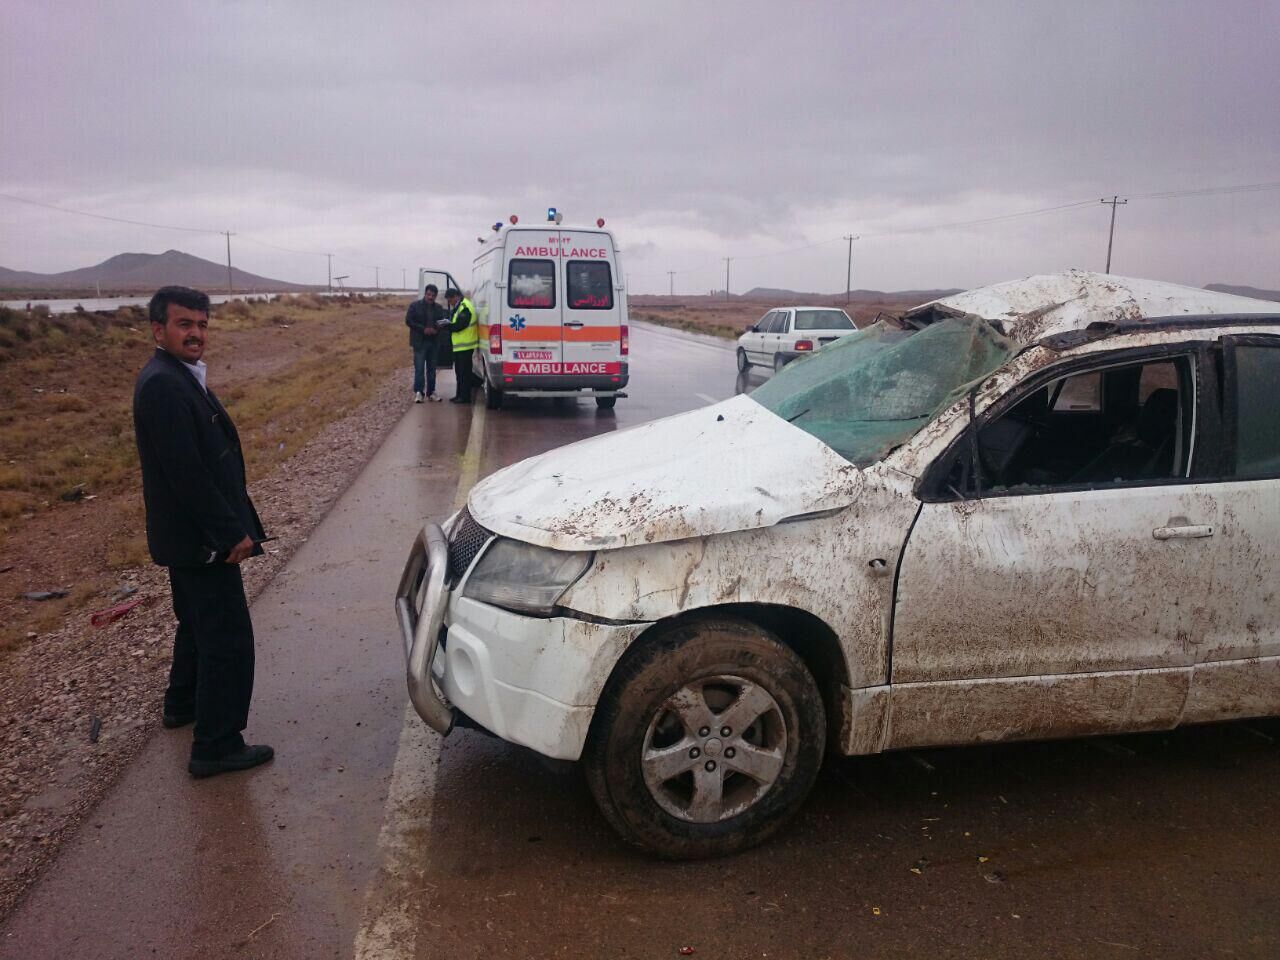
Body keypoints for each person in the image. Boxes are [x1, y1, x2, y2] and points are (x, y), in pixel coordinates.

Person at [132, 285, 274, 778]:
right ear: (158, 330)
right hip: (201, 540)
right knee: (227, 639)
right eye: (184, 325)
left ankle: (182, 705)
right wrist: (228, 533)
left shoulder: (175, 375)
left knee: (196, 623)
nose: (196, 334)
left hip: (188, 537)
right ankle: (216, 744)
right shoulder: (163, 385)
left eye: (202, 325)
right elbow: (185, 473)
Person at [404, 283, 446, 402]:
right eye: (428, 294)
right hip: (419, 342)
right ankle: (419, 392)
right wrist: (423, 329)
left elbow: (441, 322)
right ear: (425, 294)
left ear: (436, 296)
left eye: (433, 295)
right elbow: (408, 321)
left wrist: (435, 329)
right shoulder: (415, 306)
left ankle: (431, 392)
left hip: (433, 342)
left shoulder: (438, 308)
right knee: (419, 369)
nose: (430, 297)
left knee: (432, 369)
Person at [445, 286, 479, 403]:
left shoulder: (465, 307)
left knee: (464, 374)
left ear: (456, 297)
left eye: (450, 300)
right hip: (460, 346)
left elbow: (460, 325)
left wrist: (447, 326)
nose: (450, 302)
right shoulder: (459, 306)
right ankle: (459, 395)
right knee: (459, 373)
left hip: (466, 346)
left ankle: (465, 397)